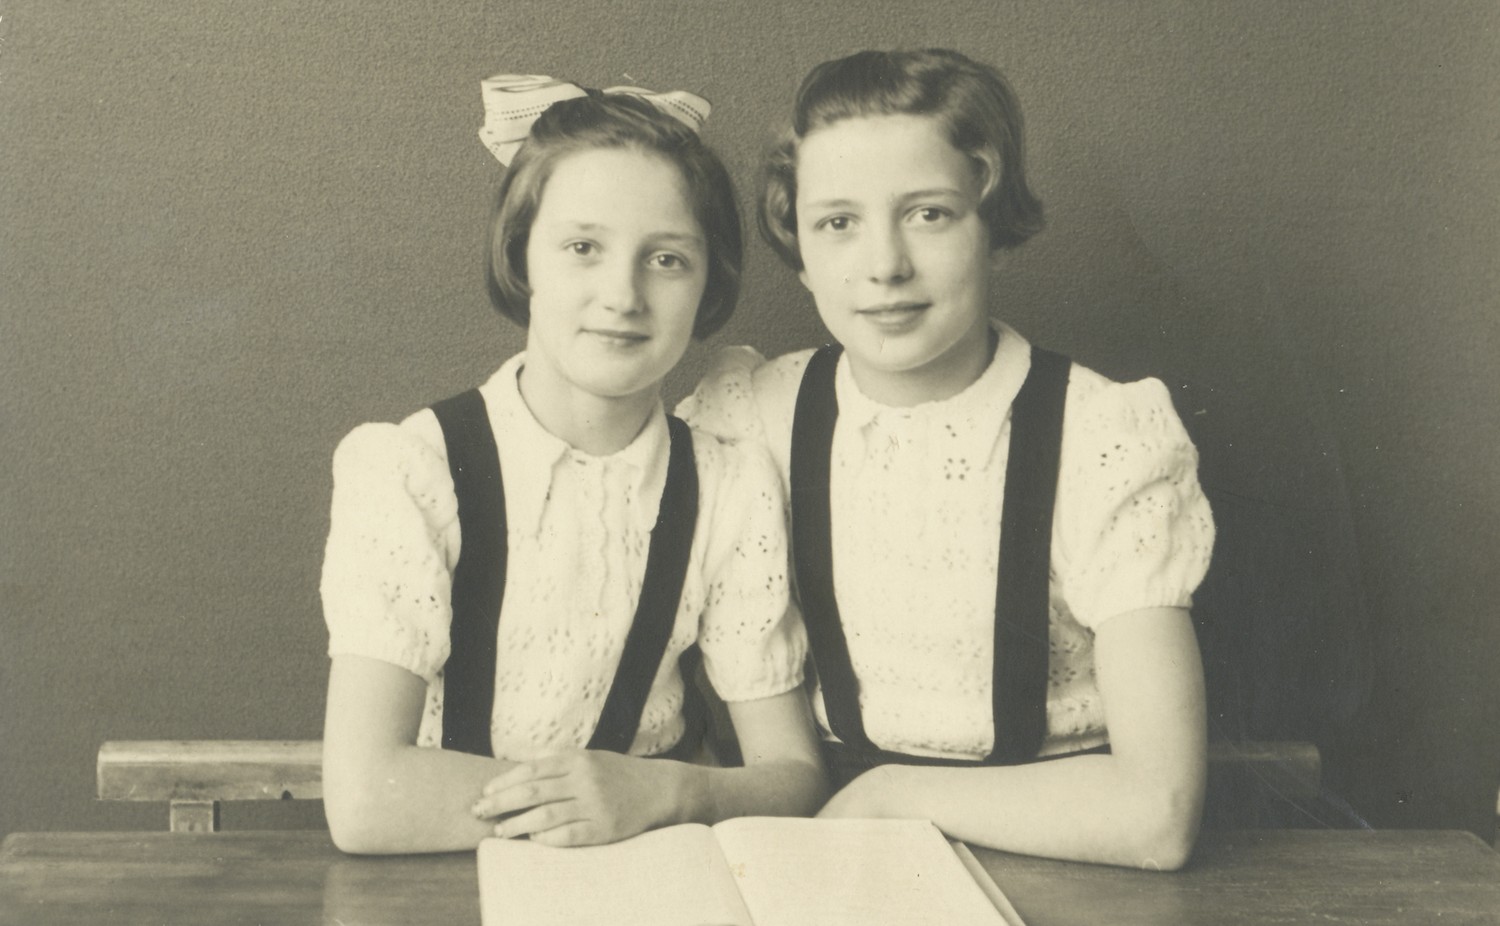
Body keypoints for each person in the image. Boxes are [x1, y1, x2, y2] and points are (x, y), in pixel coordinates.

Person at [679, 49, 1214, 870]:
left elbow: (1158, 813)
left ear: (992, 227)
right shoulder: (752, 416)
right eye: (838, 223)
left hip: (1062, 846)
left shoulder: (1102, 436)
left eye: (928, 214)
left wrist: (894, 796)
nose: (885, 266)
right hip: (829, 856)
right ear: (801, 251)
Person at [319, 74, 824, 855]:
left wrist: (670, 792)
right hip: (446, 872)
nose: (622, 295)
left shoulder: (729, 486)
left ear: (708, 284)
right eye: (583, 248)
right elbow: (366, 801)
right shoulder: (414, 471)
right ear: (522, 255)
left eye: (667, 259)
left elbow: (791, 775)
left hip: (651, 865)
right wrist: (583, 805)